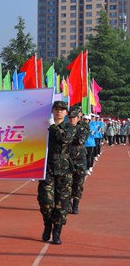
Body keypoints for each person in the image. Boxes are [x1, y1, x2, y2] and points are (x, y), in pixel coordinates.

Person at [37, 100, 76, 245]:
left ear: (66, 113)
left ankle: (57, 231)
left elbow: (64, 138)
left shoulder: (70, 127)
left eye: (62, 109)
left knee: (62, 203)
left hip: (64, 170)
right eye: (56, 109)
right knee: (45, 201)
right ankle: (47, 224)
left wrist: (52, 126)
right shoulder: (43, 126)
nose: (59, 111)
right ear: (52, 111)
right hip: (47, 168)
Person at [68, 106, 88, 215]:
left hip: (80, 160)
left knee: (78, 183)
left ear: (78, 118)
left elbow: (80, 140)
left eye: (74, 117)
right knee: (67, 182)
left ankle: (75, 204)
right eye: (70, 117)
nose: (71, 119)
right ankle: (68, 203)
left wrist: (67, 137)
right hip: (67, 159)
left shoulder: (83, 127)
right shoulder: (64, 127)